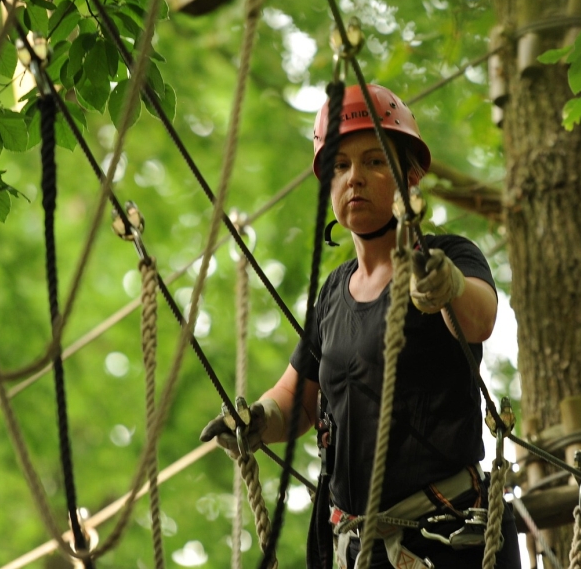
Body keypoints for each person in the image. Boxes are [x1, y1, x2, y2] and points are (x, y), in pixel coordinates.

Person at [201, 83, 520, 569]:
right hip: (354, 548)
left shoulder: (447, 256)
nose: (355, 178)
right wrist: (257, 421)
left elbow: (480, 319)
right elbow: (296, 401)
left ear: (409, 177)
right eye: (341, 166)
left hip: (444, 540)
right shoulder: (333, 293)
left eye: (374, 162)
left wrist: (447, 284)